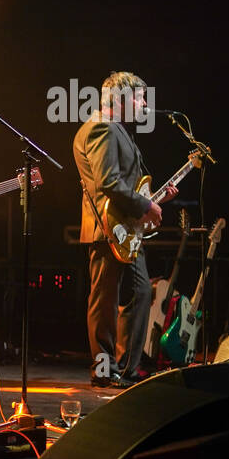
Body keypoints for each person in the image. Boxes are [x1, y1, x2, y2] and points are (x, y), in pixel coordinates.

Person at [73, 71, 174, 388]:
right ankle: (104, 369)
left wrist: (154, 198)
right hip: (108, 229)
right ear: (119, 98)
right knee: (104, 301)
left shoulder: (120, 130)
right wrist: (145, 207)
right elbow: (109, 183)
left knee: (142, 293)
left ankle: (126, 370)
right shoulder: (102, 127)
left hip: (127, 230)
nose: (144, 103)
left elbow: (124, 184)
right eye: (139, 97)